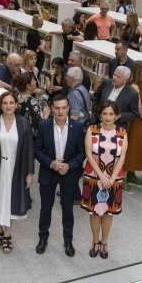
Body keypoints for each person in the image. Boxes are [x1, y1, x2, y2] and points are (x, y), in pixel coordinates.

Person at [0, 91, 34, 255]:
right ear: (0, 105)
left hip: (16, 168)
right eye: (5, 103)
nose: (8, 106)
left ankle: (8, 234)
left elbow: (30, 150)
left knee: (11, 199)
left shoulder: (23, 123)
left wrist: (30, 173)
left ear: (16, 104)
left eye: (11, 103)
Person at [33, 94, 86, 257]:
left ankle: (68, 240)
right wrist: (51, 163)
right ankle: (43, 238)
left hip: (68, 174)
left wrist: (69, 166)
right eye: (57, 108)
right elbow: (36, 150)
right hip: (49, 172)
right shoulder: (44, 126)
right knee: (45, 208)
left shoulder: (77, 127)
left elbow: (82, 153)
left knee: (68, 209)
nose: (61, 111)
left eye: (64, 107)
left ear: (68, 108)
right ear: (52, 108)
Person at [81, 100, 127, 259]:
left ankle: (104, 241)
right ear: (100, 114)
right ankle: (95, 240)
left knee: (108, 212)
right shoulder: (92, 130)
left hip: (114, 179)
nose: (108, 117)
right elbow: (88, 155)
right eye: (105, 113)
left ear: (117, 116)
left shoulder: (122, 132)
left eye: (111, 114)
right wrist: (101, 176)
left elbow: (122, 158)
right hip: (94, 177)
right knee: (95, 211)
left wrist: (112, 178)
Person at [14, 72, 50, 138]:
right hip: (29, 137)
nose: (35, 81)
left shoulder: (16, 96)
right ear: (28, 86)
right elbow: (38, 123)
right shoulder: (32, 101)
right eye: (33, 81)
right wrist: (46, 115)